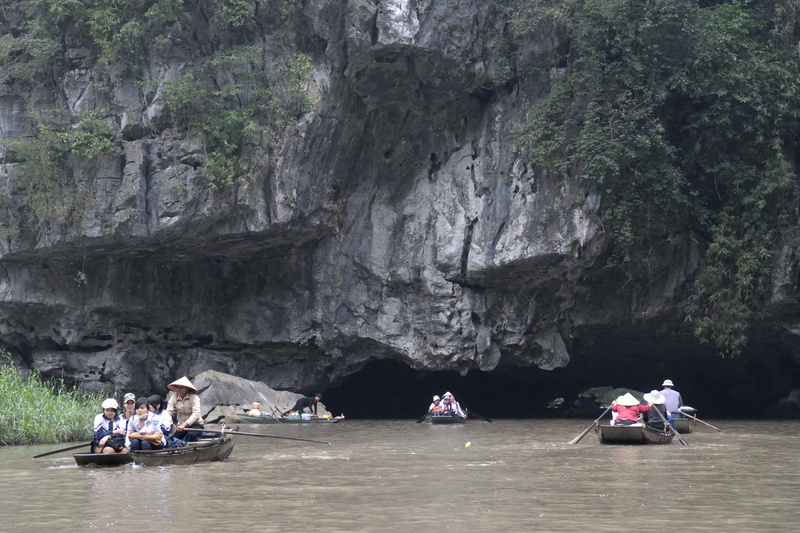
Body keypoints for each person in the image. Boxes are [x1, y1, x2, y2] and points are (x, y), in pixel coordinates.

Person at [166, 376, 204, 442]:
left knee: (190, 435)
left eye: (181, 387)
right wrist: (172, 424)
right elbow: (168, 412)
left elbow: (196, 413)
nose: (179, 389)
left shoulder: (194, 397)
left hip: (196, 425)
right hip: (181, 425)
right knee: (173, 438)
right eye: (177, 387)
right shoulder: (174, 397)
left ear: (187, 388)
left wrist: (184, 425)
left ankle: (190, 451)